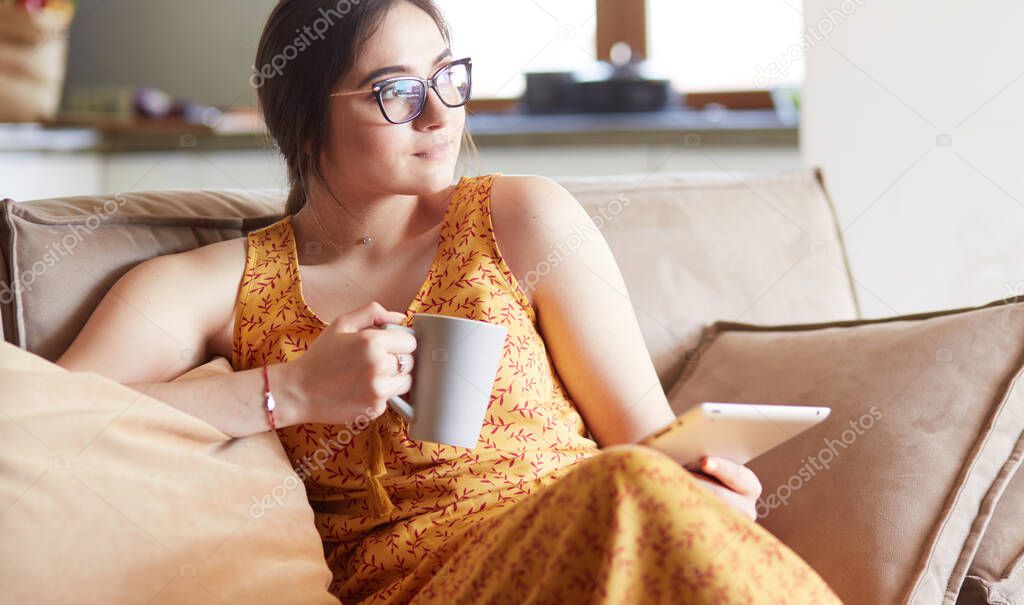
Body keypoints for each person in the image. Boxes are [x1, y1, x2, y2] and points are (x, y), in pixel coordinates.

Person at [57, 1, 844, 603]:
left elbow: (645, 446)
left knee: (638, 487)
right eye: (395, 90)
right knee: (629, 488)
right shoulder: (217, 284)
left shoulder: (523, 217)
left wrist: (706, 493)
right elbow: (52, 420)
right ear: (301, 119)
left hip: (597, 544)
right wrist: (290, 391)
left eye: (446, 76)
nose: (439, 113)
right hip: (427, 586)